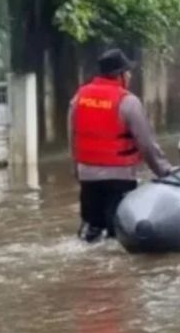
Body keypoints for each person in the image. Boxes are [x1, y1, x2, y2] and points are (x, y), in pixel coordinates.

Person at [70, 48, 173, 243]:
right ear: (120, 75)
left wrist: (76, 168)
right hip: (119, 176)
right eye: (128, 72)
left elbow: (73, 137)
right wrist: (164, 171)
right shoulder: (128, 101)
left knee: (91, 228)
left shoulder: (79, 97)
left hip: (87, 175)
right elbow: (146, 143)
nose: (130, 76)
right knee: (117, 232)